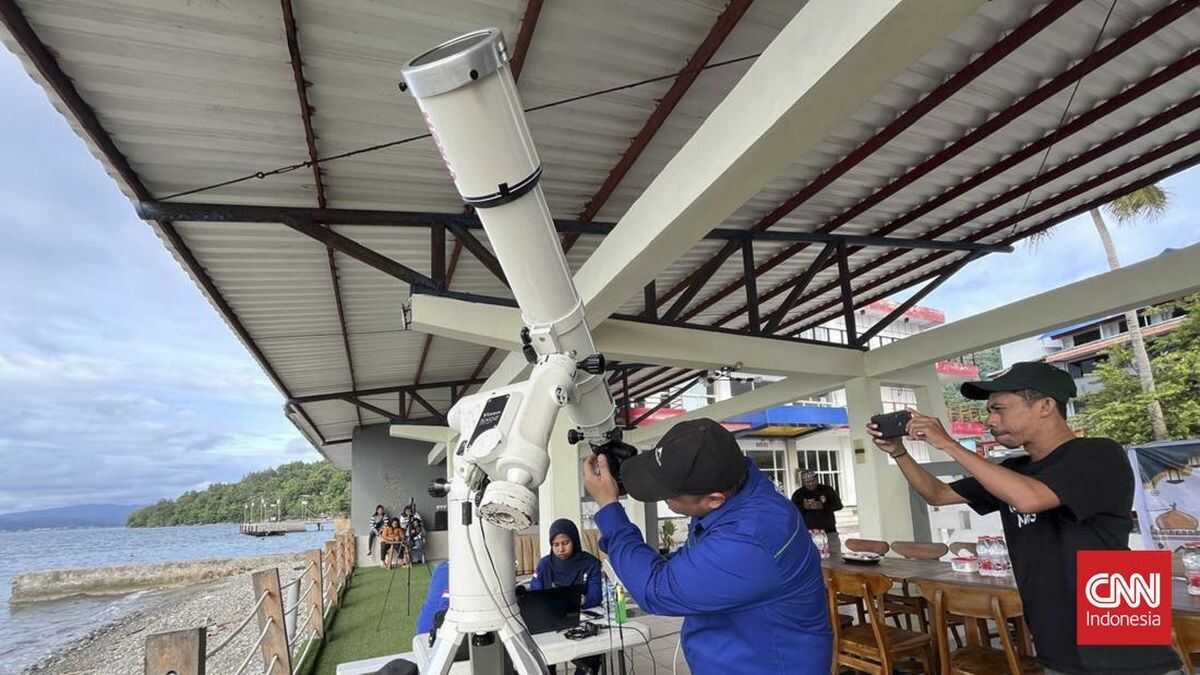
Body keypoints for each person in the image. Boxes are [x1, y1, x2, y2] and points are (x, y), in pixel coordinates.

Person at [868, 361, 1181, 675]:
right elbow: (937, 494)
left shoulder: (1100, 452)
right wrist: (899, 453)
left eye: (999, 409)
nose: (990, 420)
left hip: (1120, 624)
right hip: (1054, 634)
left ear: (1045, 406)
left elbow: (1030, 499)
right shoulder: (1013, 470)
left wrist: (948, 443)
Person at [583, 418, 831, 675]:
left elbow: (655, 589)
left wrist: (609, 508)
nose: (662, 498)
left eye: (668, 494)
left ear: (713, 500)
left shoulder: (751, 539)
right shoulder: (734, 488)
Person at [530, 518, 604, 675]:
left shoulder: (590, 563)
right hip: (550, 623)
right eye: (556, 545)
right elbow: (535, 594)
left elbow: (596, 597)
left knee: (591, 657)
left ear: (575, 541)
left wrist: (579, 600)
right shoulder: (544, 564)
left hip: (582, 621)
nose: (561, 549)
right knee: (543, 658)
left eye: (565, 543)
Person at [790, 470, 843, 541]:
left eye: (813, 481)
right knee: (813, 552)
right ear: (803, 482)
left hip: (829, 531)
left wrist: (823, 506)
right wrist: (804, 507)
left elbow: (838, 505)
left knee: (834, 551)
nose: (811, 484)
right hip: (808, 532)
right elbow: (793, 512)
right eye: (807, 482)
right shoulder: (798, 494)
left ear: (817, 479)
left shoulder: (827, 490)